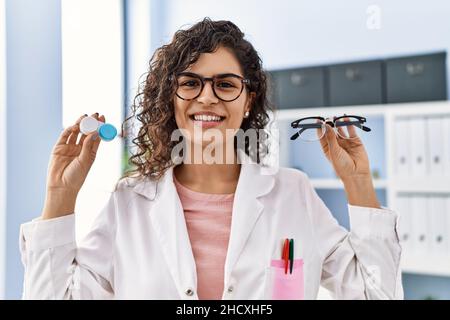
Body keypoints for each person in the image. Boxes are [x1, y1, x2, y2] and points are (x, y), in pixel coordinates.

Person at [20, 18, 402, 300]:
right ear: (171, 97)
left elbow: (375, 296)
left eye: (225, 83)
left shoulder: (292, 193)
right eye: (190, 83)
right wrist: (59, 196)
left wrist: (358, 184)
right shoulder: (130, 202)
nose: (207, 97)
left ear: (248, 98)